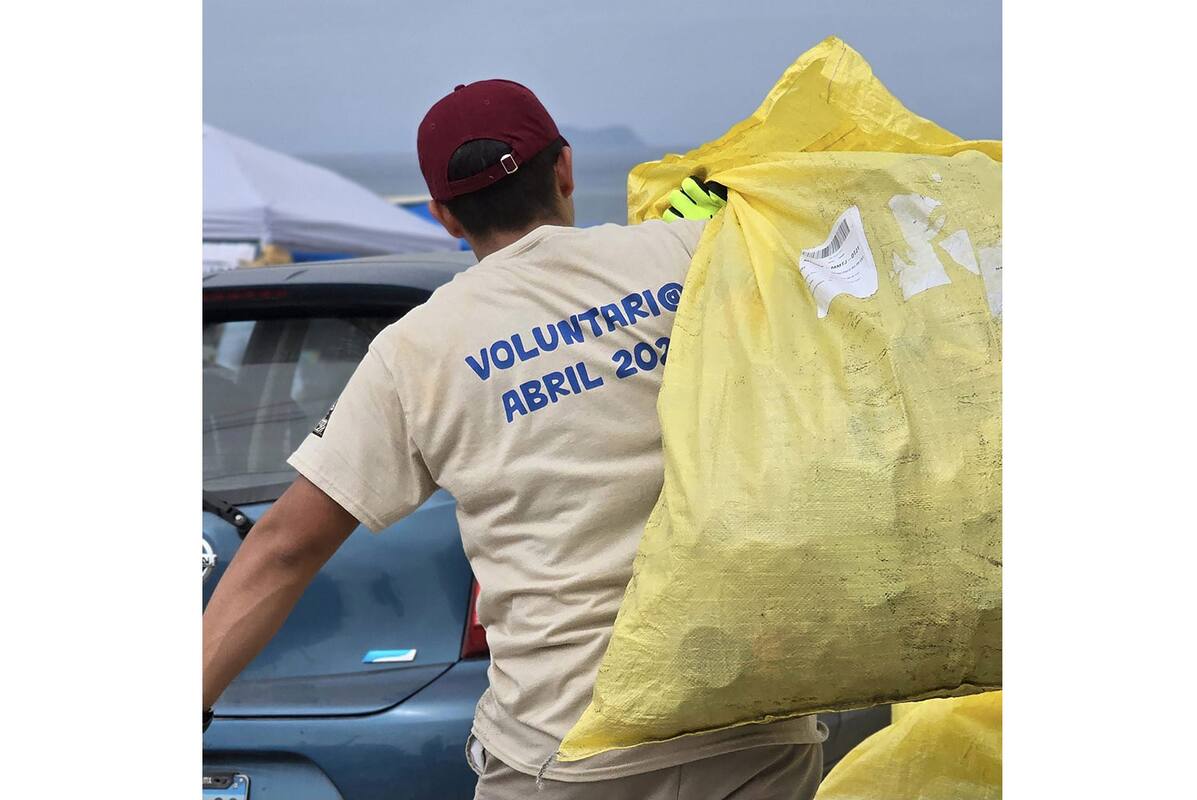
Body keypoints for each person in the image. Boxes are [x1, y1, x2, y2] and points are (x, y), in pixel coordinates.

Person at [202, 79, 826, 800]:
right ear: (563, 169)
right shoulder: (697, 253)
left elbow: (285, 546)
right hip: (750, 727)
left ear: (442, 215)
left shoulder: (420, 349)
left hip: (566, 747)